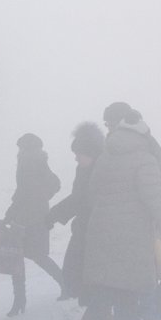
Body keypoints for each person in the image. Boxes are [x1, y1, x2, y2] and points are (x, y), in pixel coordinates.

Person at [80, 109, 161, 320]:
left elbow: (92, 189)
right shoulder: (144, 159)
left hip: (102, 225)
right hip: (133, 228)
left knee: (108, 276)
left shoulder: (106, 155)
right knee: (132, 274)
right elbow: (153, 194)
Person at [4, 133, 64, 316]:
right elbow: (54, 184)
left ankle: (19, 300)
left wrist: (11, 212)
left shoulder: (28, 161)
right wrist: (42, 198)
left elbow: (24, 191)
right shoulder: (39, 160)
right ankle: (66, 284)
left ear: (25, 147)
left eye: (20, 147)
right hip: (37, 216)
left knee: (17, 258)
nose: (19, 151)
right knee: (39, 256)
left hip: (25, 217)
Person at [47, 122, 105, 301]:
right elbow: (78, 197)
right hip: (84, 227)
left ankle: (97, 311)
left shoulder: (101, 171)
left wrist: (54, 214)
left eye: (78, 154)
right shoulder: (84, 168)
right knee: (75, 273)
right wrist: (54, 215)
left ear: (91, 152)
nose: (76, 158)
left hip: (96, 230)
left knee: (84, 273)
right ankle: (93, 308)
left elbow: (82, 199)